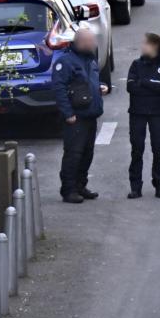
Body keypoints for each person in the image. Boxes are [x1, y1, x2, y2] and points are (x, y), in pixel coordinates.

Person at [52, 26, 110, 204]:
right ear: (82, 42)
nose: (94, 44)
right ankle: (68, 190)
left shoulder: (90, 61)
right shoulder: (66, 62)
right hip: (76, 117)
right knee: (74, 154)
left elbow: (88, 83)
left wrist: (100, 87)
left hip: (90, 115)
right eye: (91, 41)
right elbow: (59, 89)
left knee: (87, 153)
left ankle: (80, 185)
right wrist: (68, 113)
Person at [126, 33, 160, 199]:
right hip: (137, 112)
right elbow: (131, 87)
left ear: (154, 46)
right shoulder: (136, 64)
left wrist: (145, 82)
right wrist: (154, 83)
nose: (142, 46)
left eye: (145, 43)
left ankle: (159, 184)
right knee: (137, 149)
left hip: (158, 112)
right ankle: (135, 186)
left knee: (158, 148)